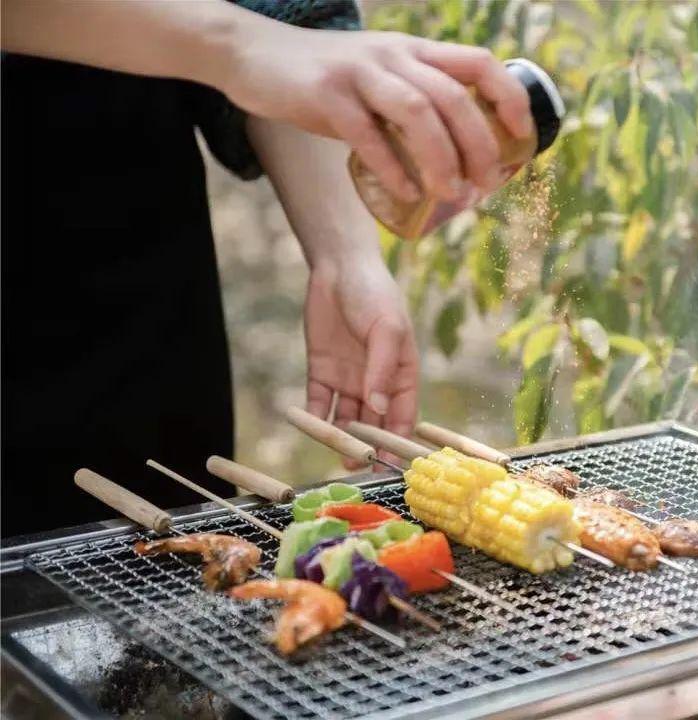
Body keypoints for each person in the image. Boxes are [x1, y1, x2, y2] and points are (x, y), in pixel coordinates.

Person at [0, 0, 532, 537]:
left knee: (167, 559)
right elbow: (259, 42)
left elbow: (284, 14)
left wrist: (344, 257)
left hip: (130, 264)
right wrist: (241, 46)